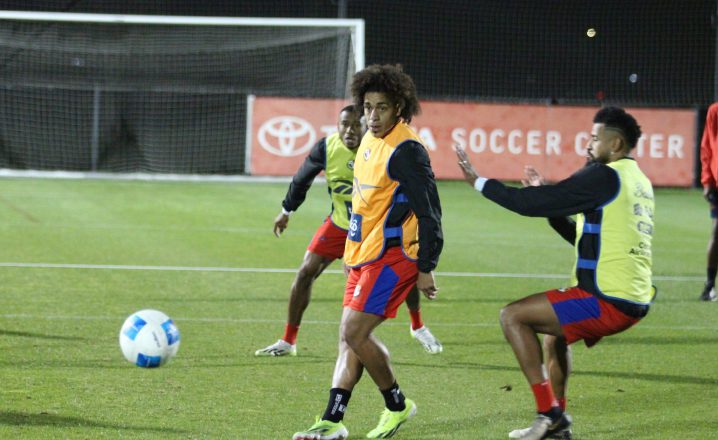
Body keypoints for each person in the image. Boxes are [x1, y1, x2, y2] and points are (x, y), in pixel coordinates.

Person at [455, 106, 656, 440]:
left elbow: (532, 204)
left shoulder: (604, 175)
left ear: (616, 144)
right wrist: (548, 196)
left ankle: (548, 414)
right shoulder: (636, 181)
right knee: (554, 336)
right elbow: (581, 235)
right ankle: (557, 422)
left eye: (594, 138)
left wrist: (479, 182)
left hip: (606, 300)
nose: (588, 144)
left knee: (513, 317)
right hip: (631, 297)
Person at [292, 64, 444, 440]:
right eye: (368, 107)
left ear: (399, 109)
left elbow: (430, 211)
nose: (372, 117)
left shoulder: (406, 149)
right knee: (348, 338)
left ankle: (397, 406)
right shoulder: (368, 142)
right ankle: (332, 420)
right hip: (363, 255)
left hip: (394, 257)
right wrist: (350, 251)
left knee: (354, 332)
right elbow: (365, 205)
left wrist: (426, 266)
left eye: (382, 108)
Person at [255, 105, 443, 357]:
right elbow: (302, 179)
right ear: (337, 125)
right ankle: (289, 340)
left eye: (356, 124)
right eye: (345, 124)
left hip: (376, 230)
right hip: (341, 223)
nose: (350, 130)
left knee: (403, 268)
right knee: (305, 271)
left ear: (367, 126)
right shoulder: (327, 147)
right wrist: (286, 211)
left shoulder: (381, 149)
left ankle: (417, 326)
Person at [699, 102, 718, 301]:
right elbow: (707, 147)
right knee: (717, 232)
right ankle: (709, 285)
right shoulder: (715, 111)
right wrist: (707, 181)